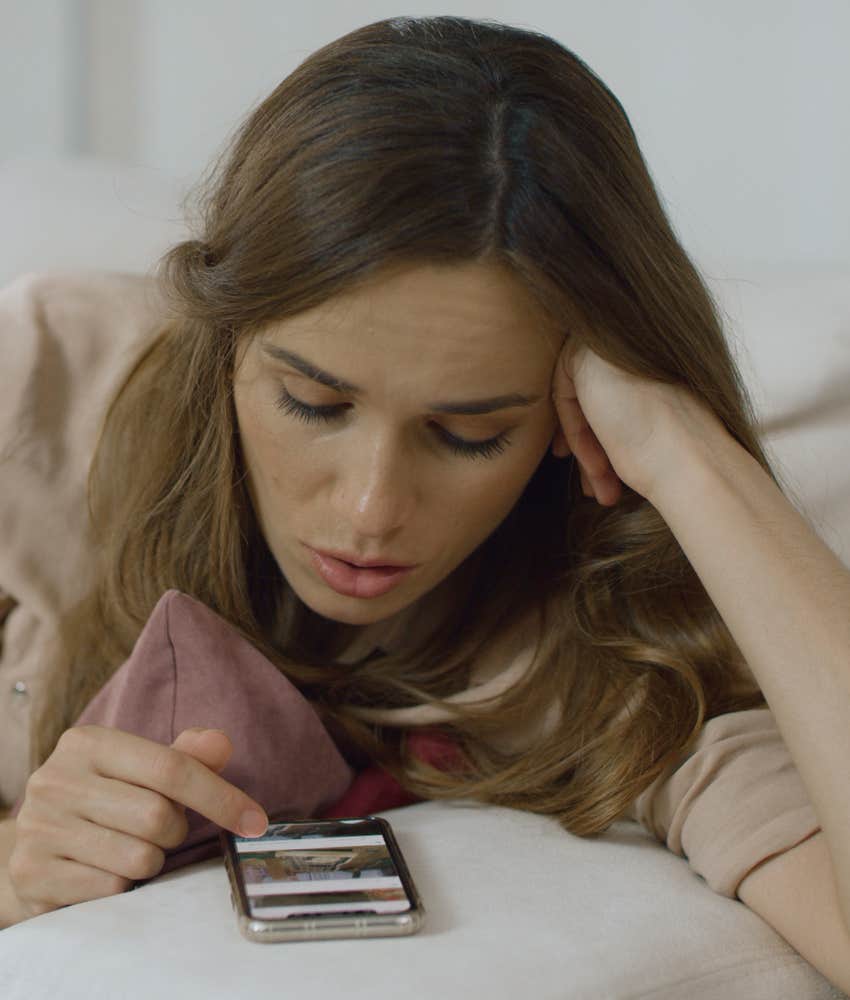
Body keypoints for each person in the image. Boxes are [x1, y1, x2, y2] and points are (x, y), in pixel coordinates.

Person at [1, 14, 849, 990]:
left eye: (469, 433)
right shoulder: (43, 392)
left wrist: (690, 450)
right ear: (224, 339)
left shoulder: (613, 641)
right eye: (312, 402)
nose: (369, 509)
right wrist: (20, 868)